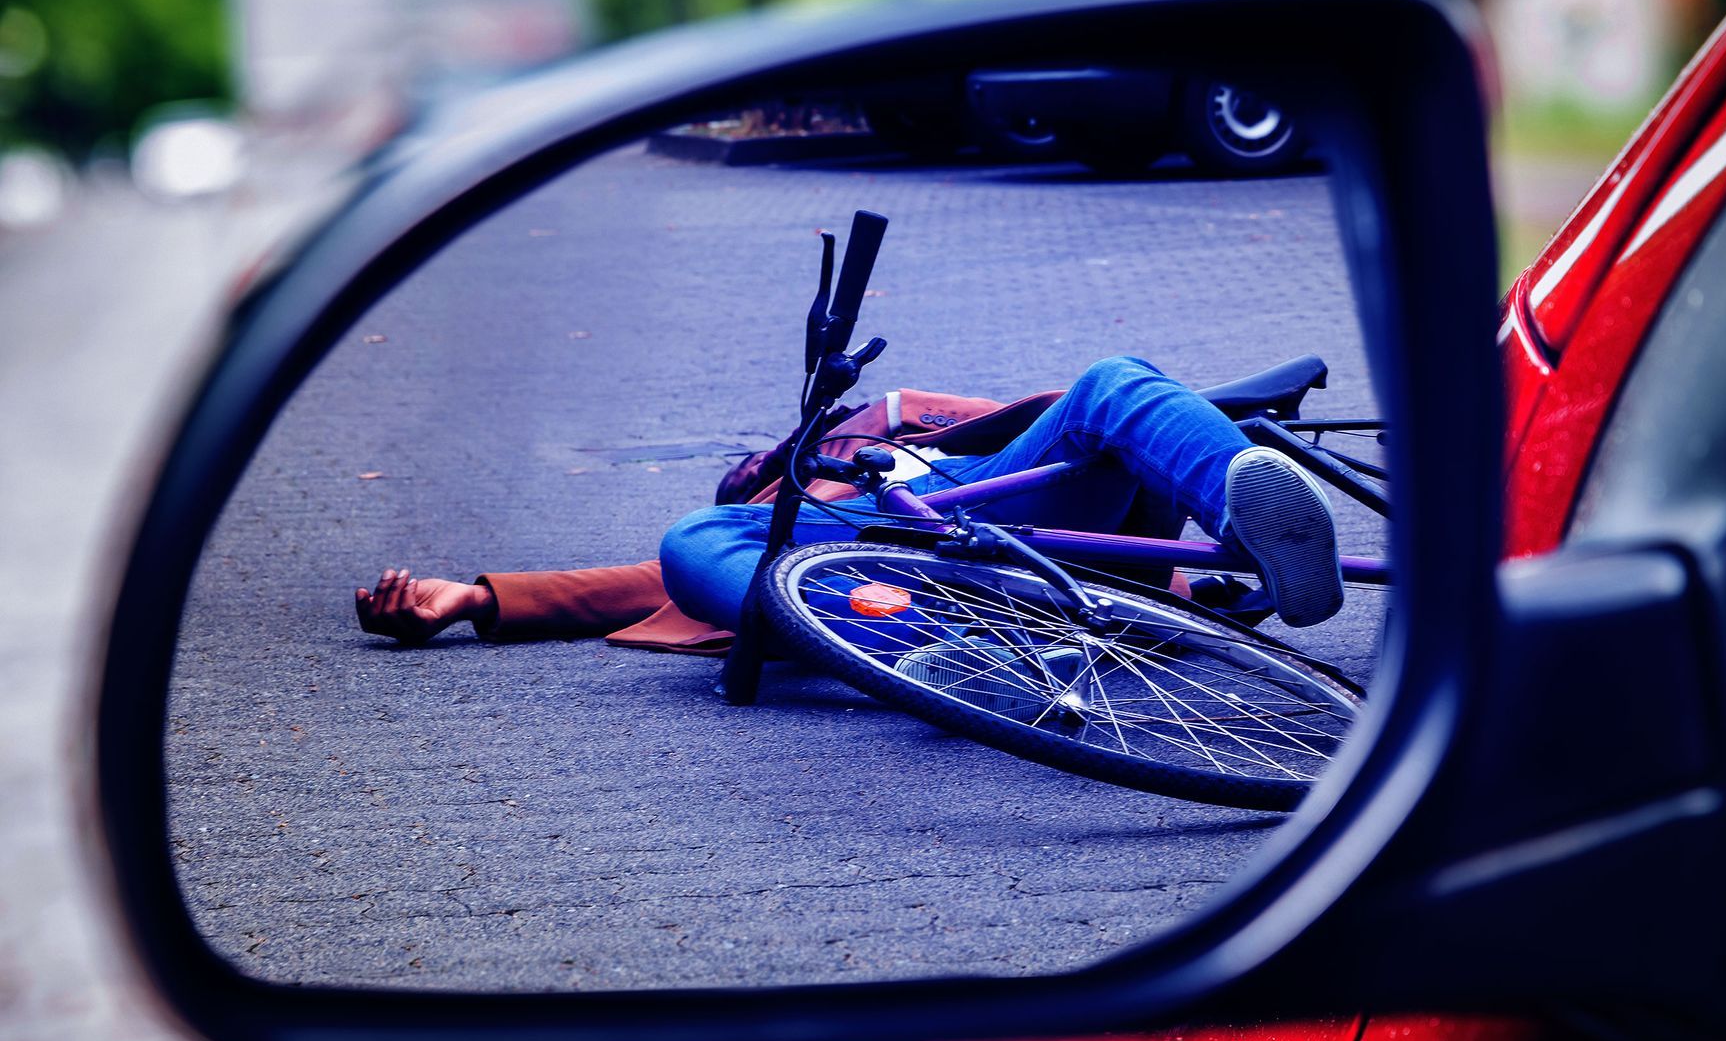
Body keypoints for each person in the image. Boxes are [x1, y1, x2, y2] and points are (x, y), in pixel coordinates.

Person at [354, 356, 1343, 650]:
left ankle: (1255, 506)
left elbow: (1038, 421)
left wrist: (896, 440)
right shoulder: (766, 523)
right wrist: (476, 598)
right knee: (688, 543)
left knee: (1113, 382)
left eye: (766, 458)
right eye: (754, 466)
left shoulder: (896, 417)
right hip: (895, 566)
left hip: (1019, 507)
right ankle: (895, 623)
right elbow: (634, 585)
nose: (760, 464)